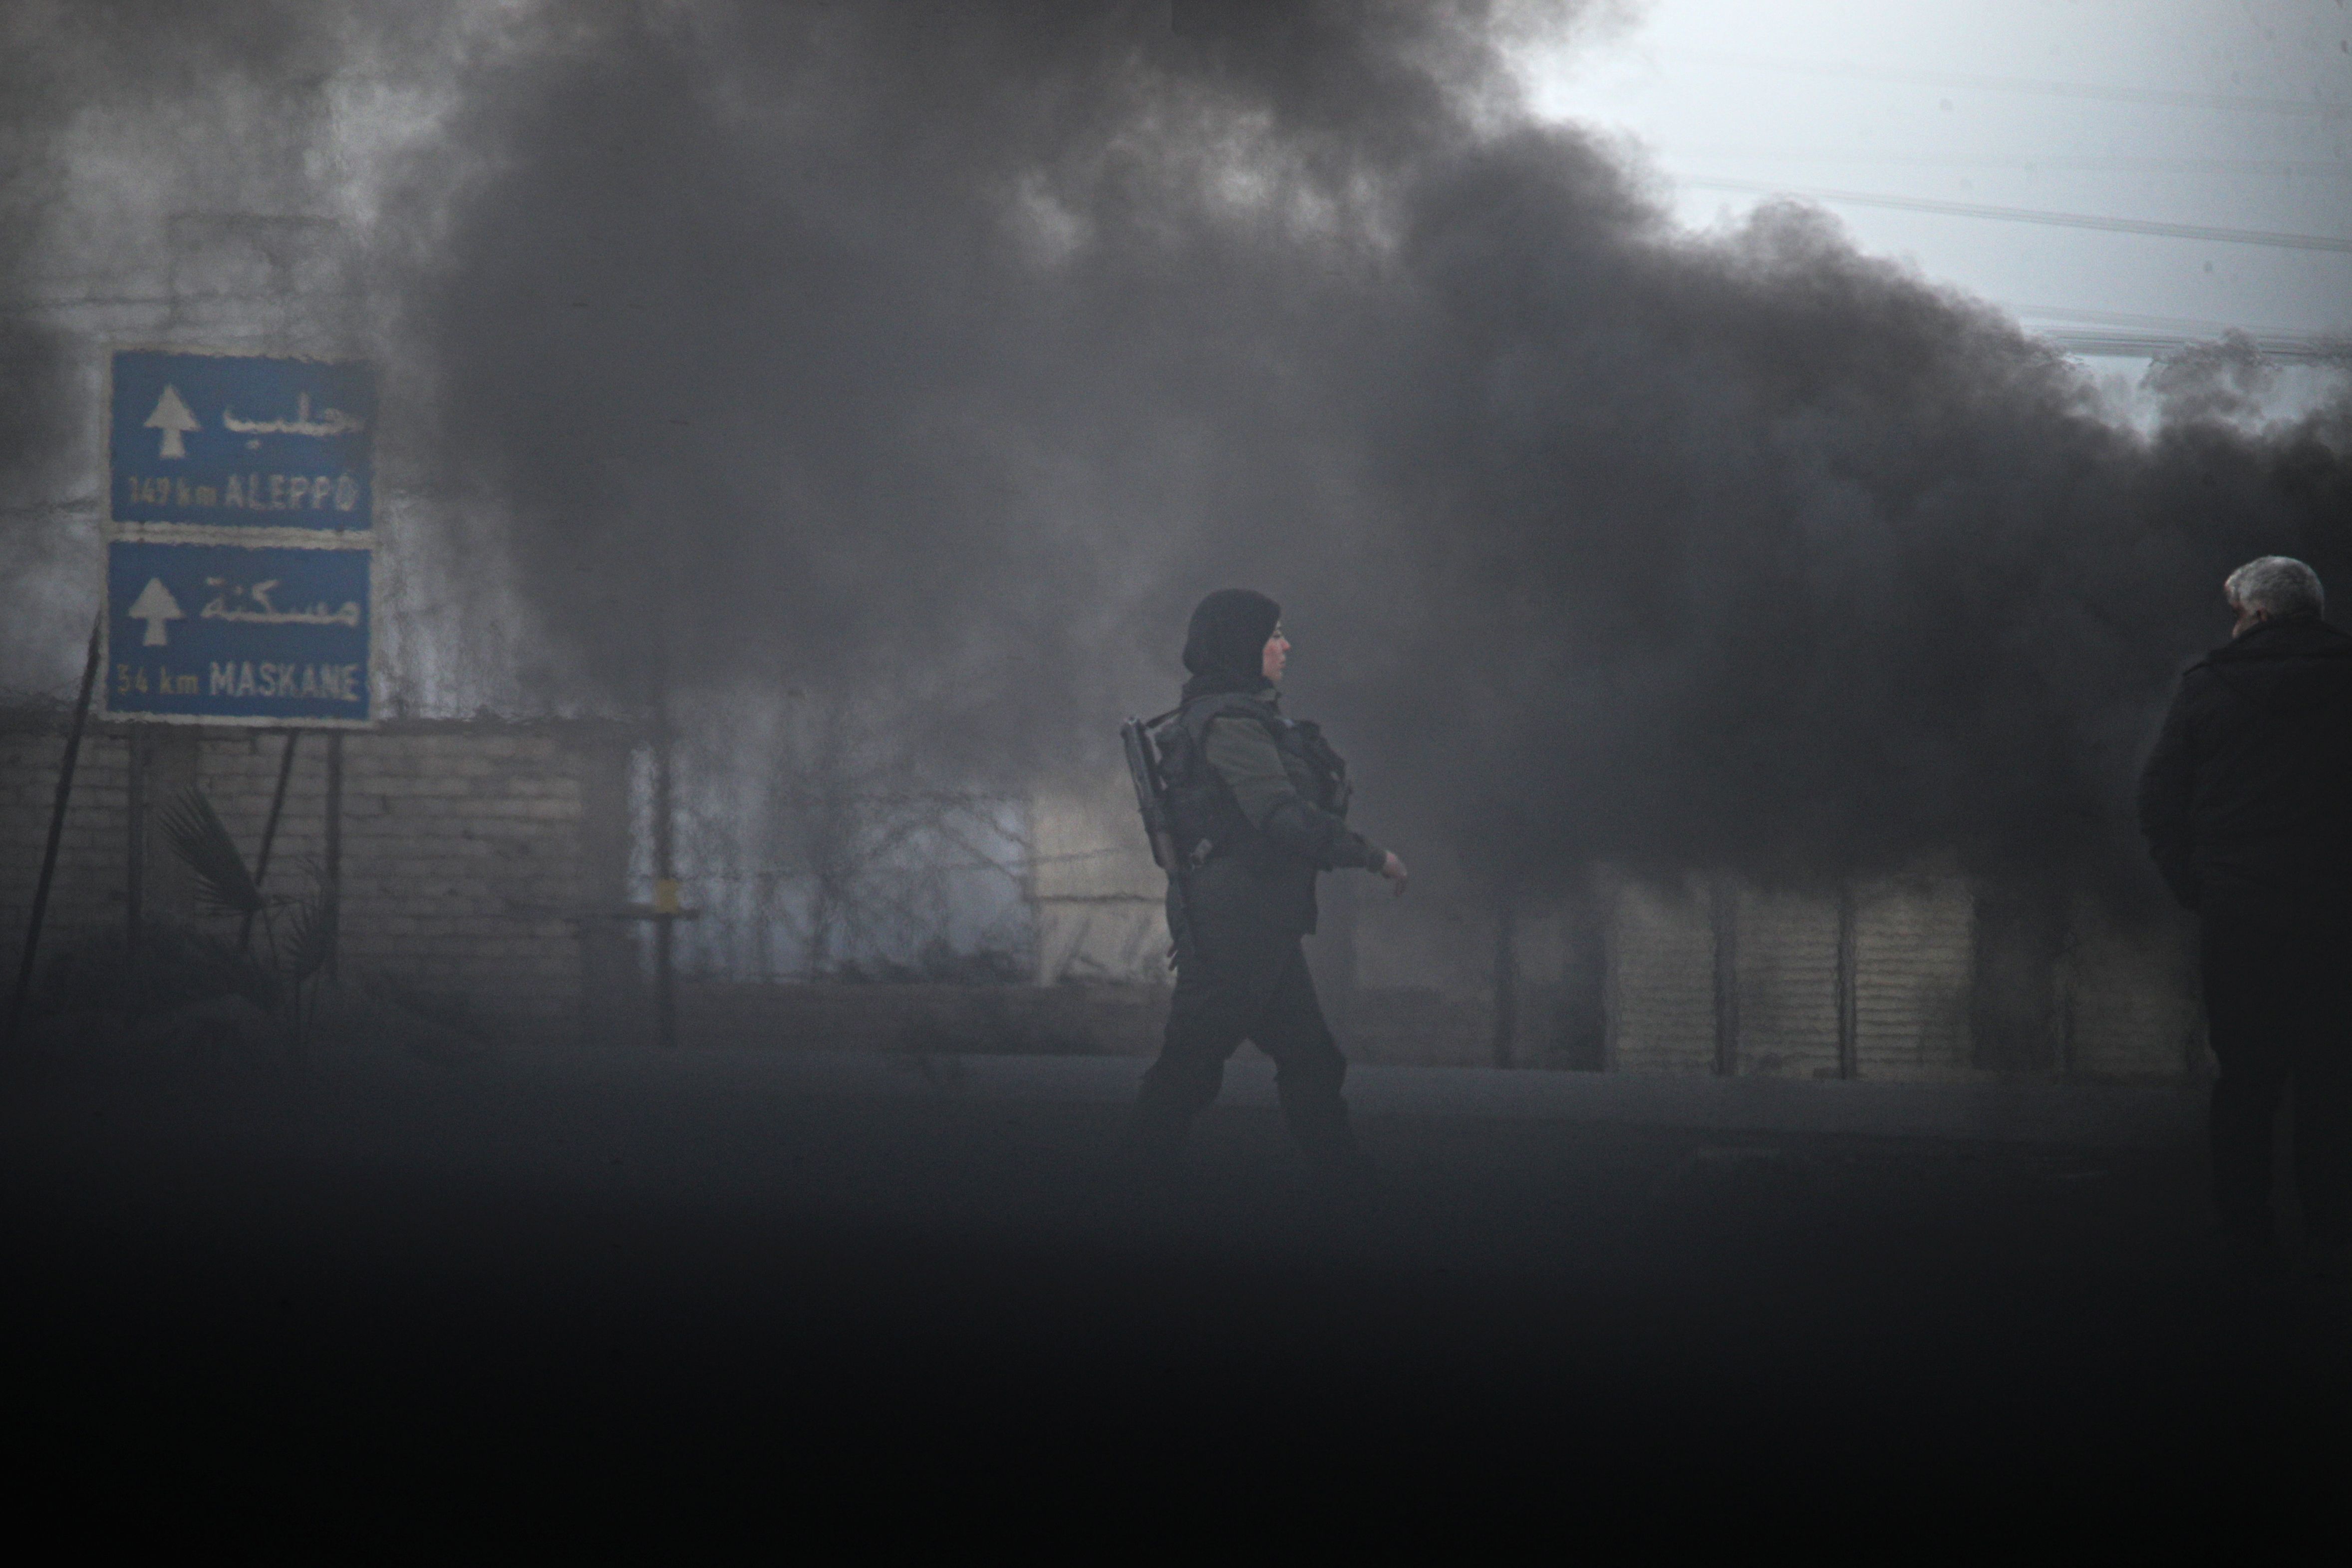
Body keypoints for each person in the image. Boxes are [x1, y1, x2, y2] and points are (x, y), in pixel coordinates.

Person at [1123, 588, 1407, 1178]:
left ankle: (1344, 1175)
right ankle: (1126, 1181)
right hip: (1240, 922)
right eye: (1272, 635)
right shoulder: (1230, 724)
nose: (1284, 646)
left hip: (1254, 923)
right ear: (1241, 644)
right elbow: (1279, 816)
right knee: (1192, 1066)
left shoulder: (1243, 718)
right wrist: (1370, 856)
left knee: (1310, 1058)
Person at [2138, 556, 2352, 1281]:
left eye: (2236, 612)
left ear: (2257, 614)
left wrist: (2199, 887)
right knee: (2333, 1074)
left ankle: (2245, 1231)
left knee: (2247, 1077)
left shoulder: (2206, 687)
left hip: (2239, 914)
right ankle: (2332, 1231)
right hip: (2336, 915)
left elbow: (2157, 800)